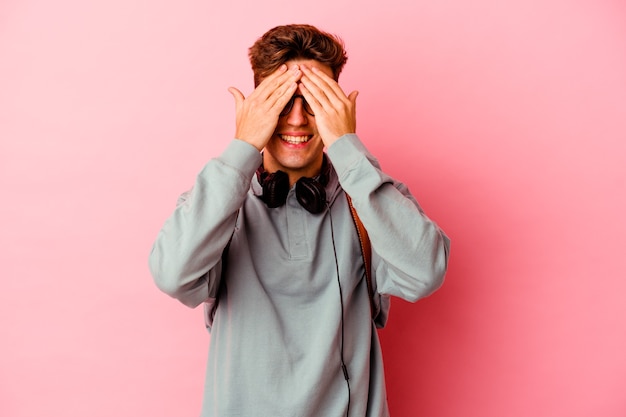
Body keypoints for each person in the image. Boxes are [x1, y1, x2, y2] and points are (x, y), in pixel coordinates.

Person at [149, 23, 450, 417]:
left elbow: (426, 272)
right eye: (280, 102)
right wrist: (242, 148)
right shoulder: (219, 202)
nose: (296, 119)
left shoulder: (370, 199)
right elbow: (172, 274)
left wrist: (348, 150)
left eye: (313, 102)